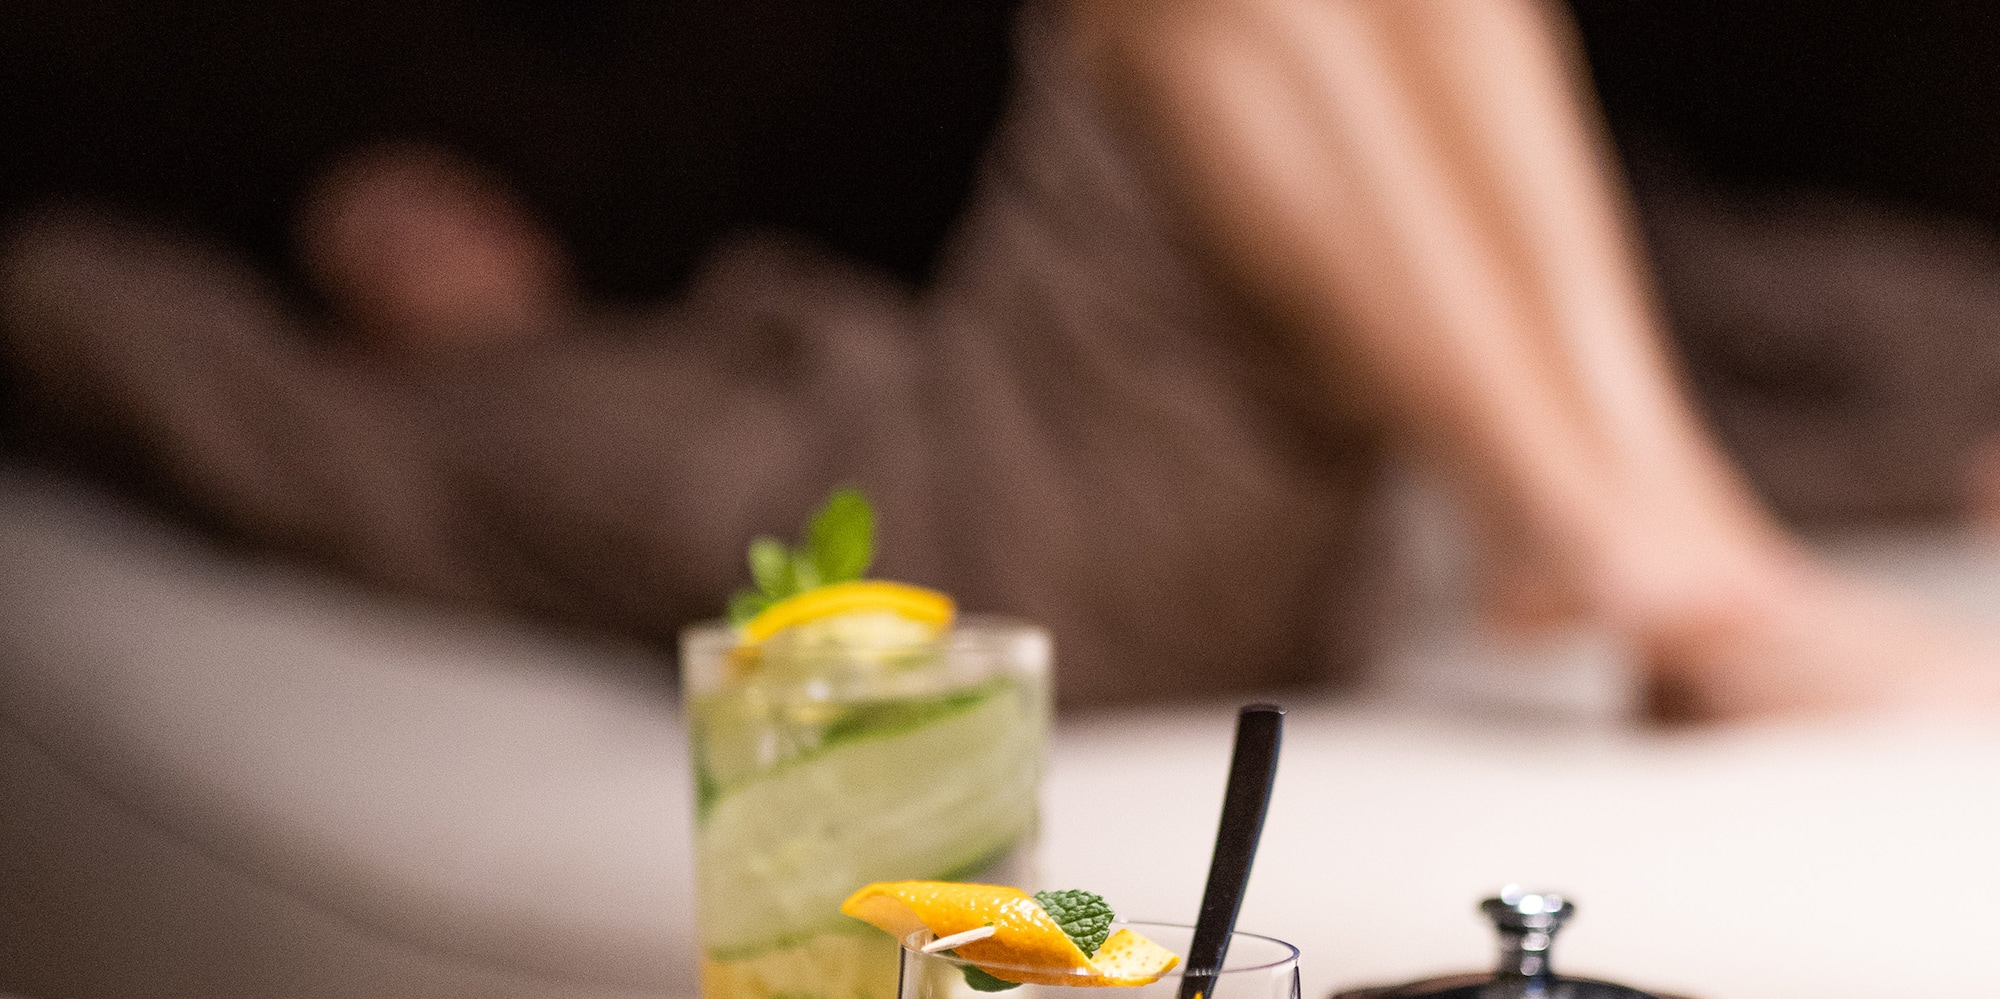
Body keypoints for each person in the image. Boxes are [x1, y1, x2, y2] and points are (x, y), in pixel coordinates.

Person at [3, 0, 1997, 719]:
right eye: (397, 220)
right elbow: (114, 332)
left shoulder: (679, 286)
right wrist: (325, 240)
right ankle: (1625, 534)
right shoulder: (464, 430)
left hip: (1020, 460)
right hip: (992, 566)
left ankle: (1642, 513)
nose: (446, 226)